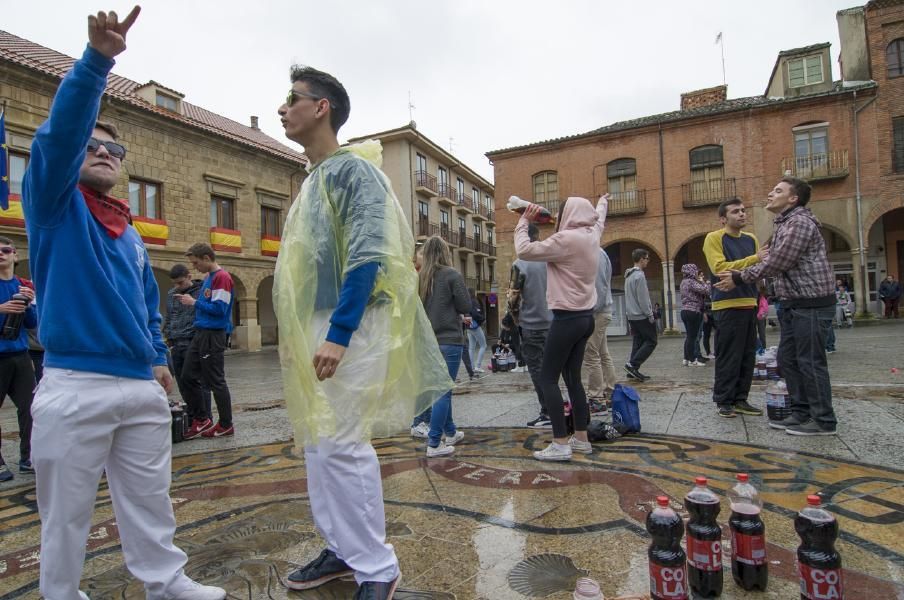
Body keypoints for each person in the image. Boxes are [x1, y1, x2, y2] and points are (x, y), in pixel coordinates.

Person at [21, 7, 226, 599]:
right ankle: (61, 593)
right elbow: (57, 139)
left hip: (139, 386)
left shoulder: (130, 233)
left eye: (116, 149)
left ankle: (164, 582)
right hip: (74, 384)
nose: (107, 153)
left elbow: (145, 305)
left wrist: (158, 358)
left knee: (149, 499)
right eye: (95, 145)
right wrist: (97, 61)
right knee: (67, 514)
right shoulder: (54, 207)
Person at [274, 64, 450, 599]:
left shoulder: (356, 172)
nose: (283, 109)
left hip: (352, 322)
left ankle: (377, 565)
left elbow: (370, 254)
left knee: (344, 442)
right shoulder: (314, 180)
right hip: (319, 323)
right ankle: (342, 547)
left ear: (320, 107)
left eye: (291, 99)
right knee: (318, 442)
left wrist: (340, 331)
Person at [717, 178, 837, 436]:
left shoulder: (799, 223)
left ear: (793, 199)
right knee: (788, 359)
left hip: (811, 303)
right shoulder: (785, 223)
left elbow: (778, 262)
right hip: (795, 303)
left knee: (810, 362)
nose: (771, 193)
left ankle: (823, 420)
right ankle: (802, 412)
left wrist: (738, 276)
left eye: (778, 190)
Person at [514, 194, 608, 461]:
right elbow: (599, 218)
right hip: (585, 319)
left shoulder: (566, 240)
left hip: (566, 318)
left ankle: (560, 443)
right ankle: (581, 439)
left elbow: (524, 251)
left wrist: (524, 220)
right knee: (573, 379)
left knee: (547, 379)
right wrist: (601, 202)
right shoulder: (592, 236)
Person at [704, 198, 764, 419]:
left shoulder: (752, 239)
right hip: (726, 304)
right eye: (736, 212)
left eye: (743, 210)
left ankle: (741, 399)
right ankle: (724, 400)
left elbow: (760, 268)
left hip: (750, 302)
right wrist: (754, 259)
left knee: (748, 355)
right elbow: (719, 268)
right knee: (729, 354)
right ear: (723, 219)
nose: (742, 214)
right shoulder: (714, 238)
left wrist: (756, 262)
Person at [417, 236, 471, 457]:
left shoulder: (420, 278)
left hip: (427, 342)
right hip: (449, 340)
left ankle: (450, 432)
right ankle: (434, 443)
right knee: (443, 392)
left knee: (439, 389)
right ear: (445, 253)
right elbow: (465, 305)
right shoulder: (452, 275)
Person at [179, 243, 235, 439]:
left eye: (196, 263)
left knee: (215, 380)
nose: (195, 267)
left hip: (213, 334)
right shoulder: (209, 278)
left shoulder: (222, 278)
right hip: (201, 332)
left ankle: (226, 424)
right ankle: (202, 419)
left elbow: (220, 309)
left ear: (206, 258)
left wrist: (194, 302)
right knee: (187, 376)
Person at [0, 237, 37, 482]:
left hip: (21, 355)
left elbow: (33, 325)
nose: (1, 254)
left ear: (15, 255)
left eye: (5, 250)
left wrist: (29, 303)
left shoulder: (23, 285)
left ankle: (28, 457)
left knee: (32, 409)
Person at [511, 224, 554, 429]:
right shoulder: (550, 261)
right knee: (554, 368)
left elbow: (513, 297)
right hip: (554, 322)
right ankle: (557, 405)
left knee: (537, 369)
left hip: (531, 323)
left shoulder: (520, 263)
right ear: (538, 237)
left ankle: (547, 411)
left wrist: (513, 317)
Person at [163, 263, 211, 423]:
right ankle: (192, 415)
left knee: (198, 381)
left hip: (193, 340)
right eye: (175, 283)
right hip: (176, 342)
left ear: (189, 277)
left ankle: (205, 417)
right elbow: (170, 316)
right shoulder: (171, 294)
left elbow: (206, 313)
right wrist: (167, 334)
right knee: (183, 383)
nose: (177, 287)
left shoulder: (200, 292)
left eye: (181, 283)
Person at [581, 247, 617, 414]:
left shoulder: (595, 252)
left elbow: (600, 285)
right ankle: (609, 394)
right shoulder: (598, 252)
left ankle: (597, 399)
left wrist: (592, 311)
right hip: (601, 311)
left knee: (591, 353)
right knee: (602, 353)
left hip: (598, 312)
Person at [624, 249, 657, 381]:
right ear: (642, 259)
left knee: (638, 341)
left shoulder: (628, 275)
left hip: (631, 315)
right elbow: (643, 298)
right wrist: (650, 314)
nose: (648, 261)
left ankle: (632, 370)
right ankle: (632, 365)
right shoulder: (639, 276)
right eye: (647, 258)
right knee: (652, 341)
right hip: (641, 315)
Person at [678, 264, 708, 367]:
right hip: (693, 311)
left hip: (685, 311)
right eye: (695, 271)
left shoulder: (683, 282)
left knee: (689, 336)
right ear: (691, 272)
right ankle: (692, 360)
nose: (696, 273)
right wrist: (703, 281)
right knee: (693, 337)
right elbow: (706, 290)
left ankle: (686, 359)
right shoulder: (691, 282)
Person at [466, 287, 488, 373]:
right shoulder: (474, 301)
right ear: (473, 293)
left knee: (471, 348)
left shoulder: (466, 301)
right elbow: (476, 313)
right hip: (475, 327)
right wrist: (483, 319)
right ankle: (478, 366)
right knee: (483, 345)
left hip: (468, 326)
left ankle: (472, 367)